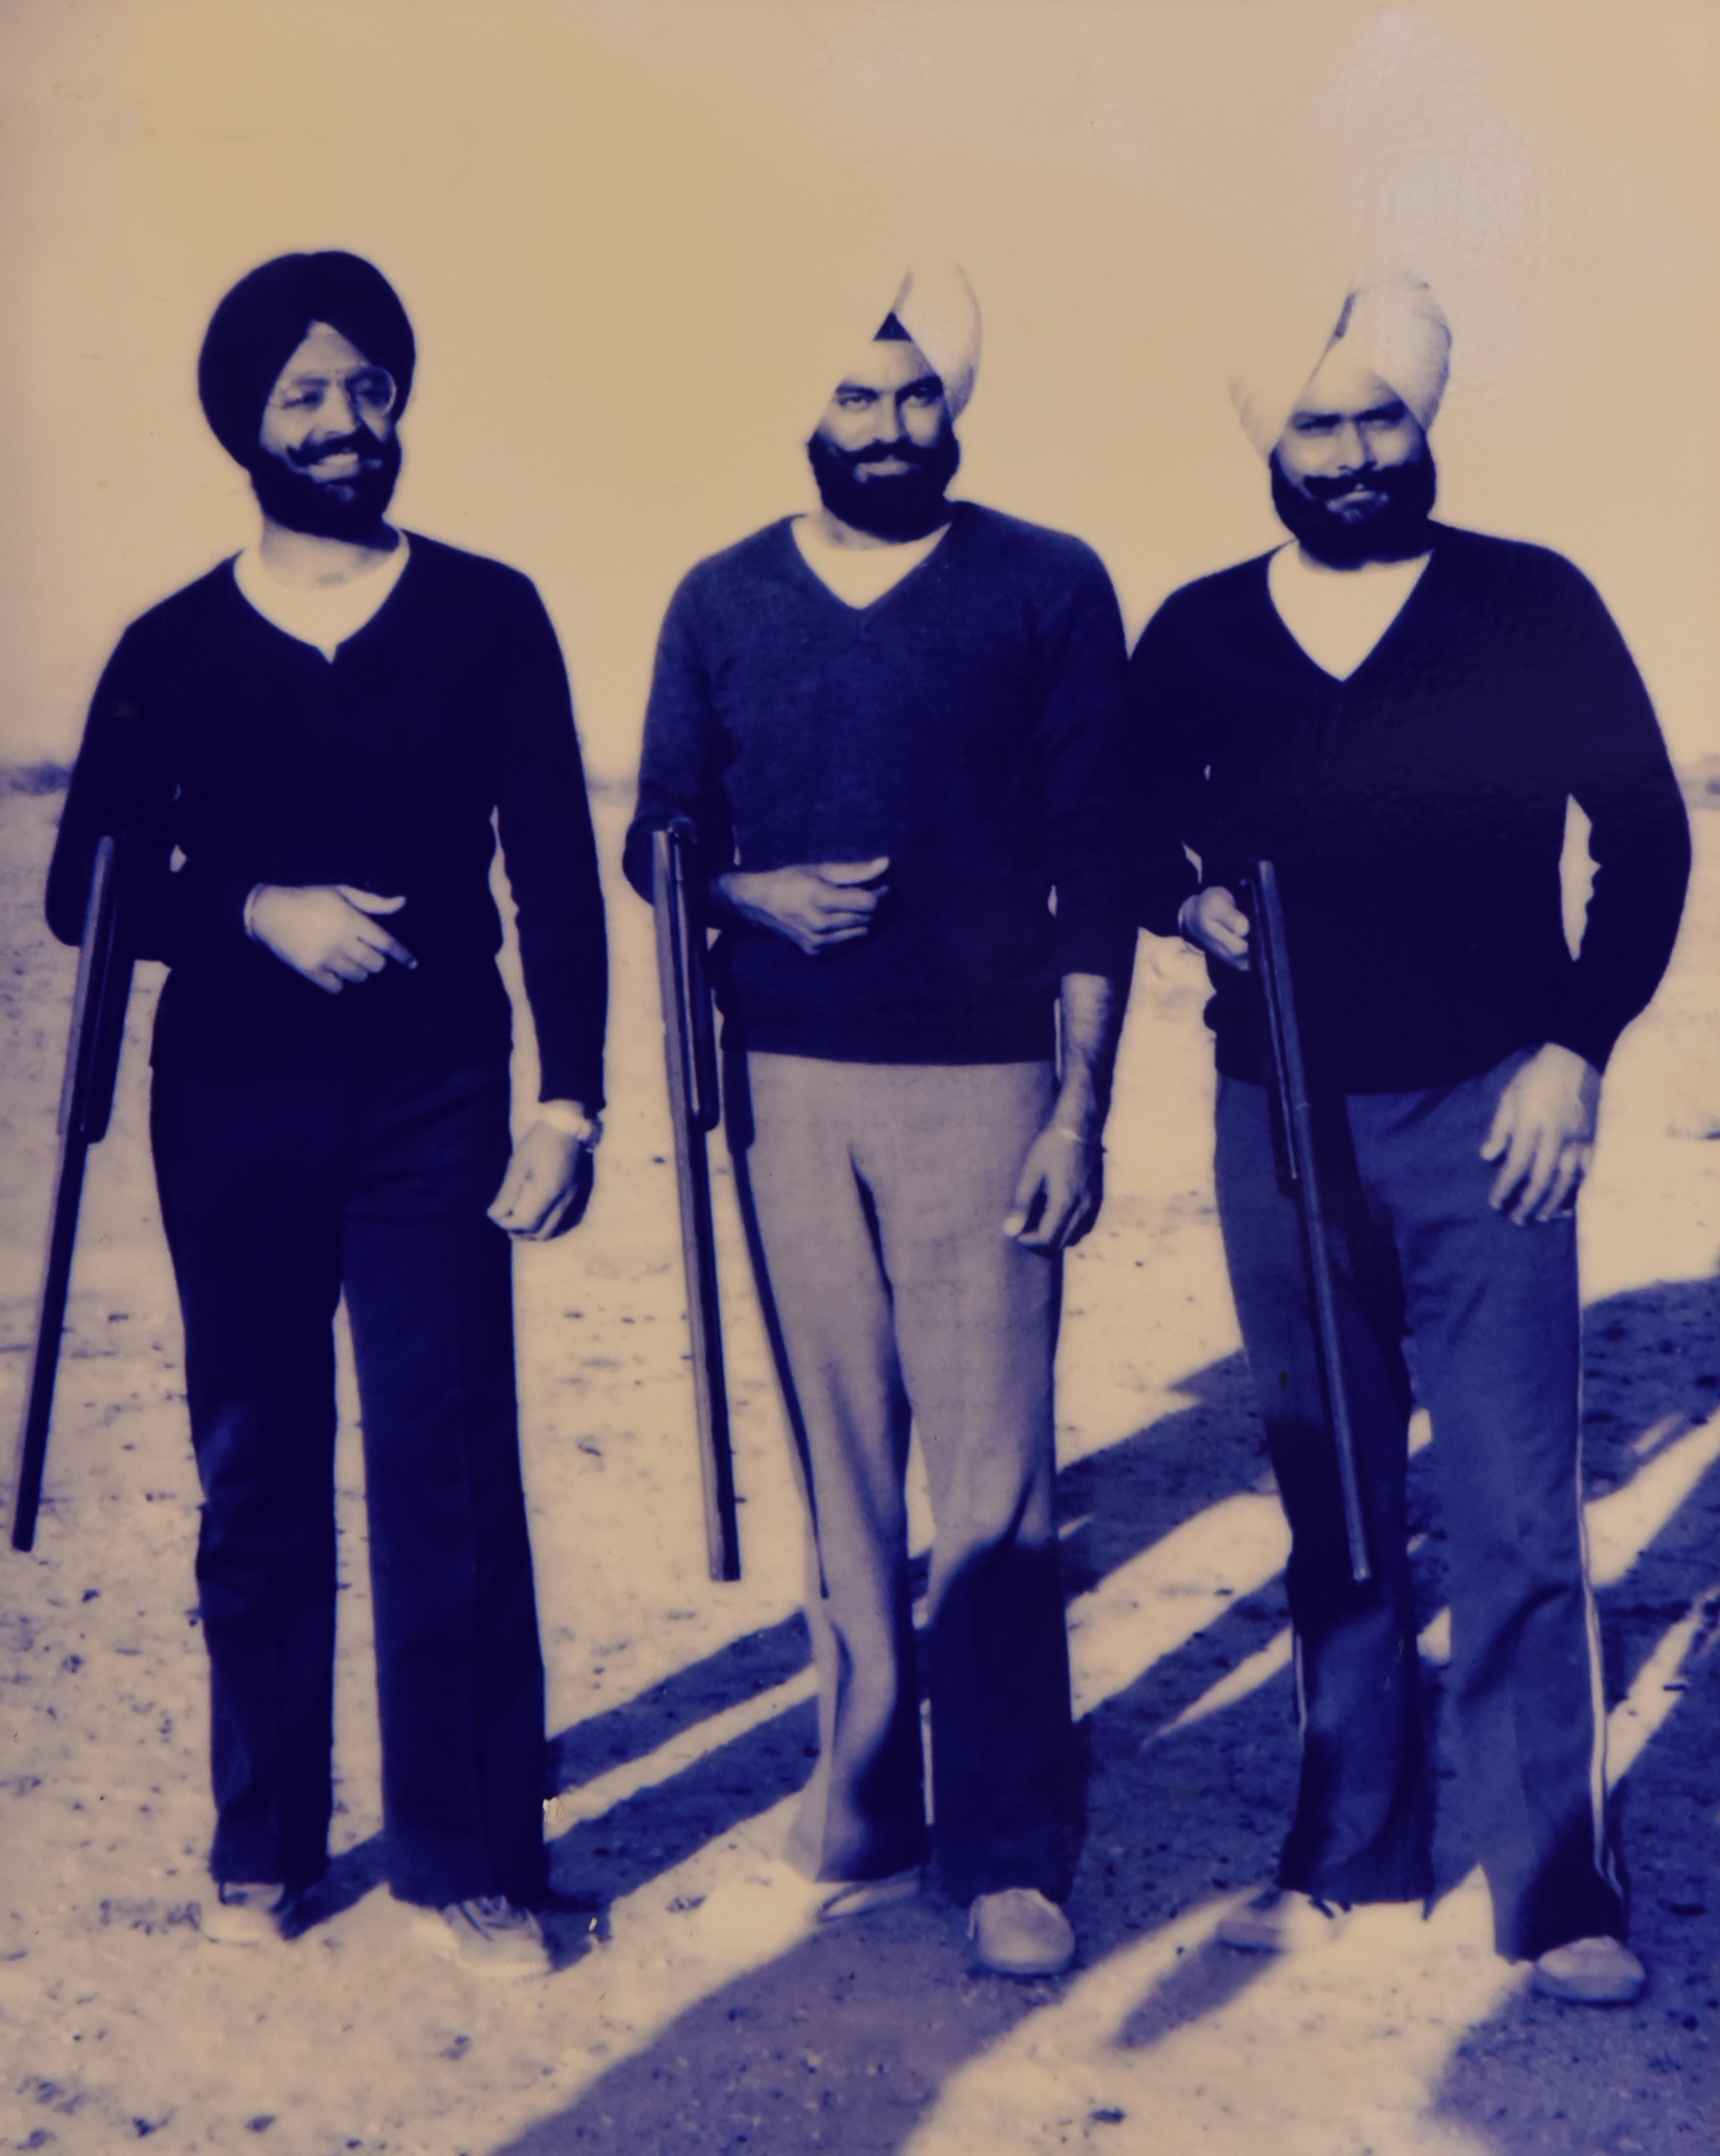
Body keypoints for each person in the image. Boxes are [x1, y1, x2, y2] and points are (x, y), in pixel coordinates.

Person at [1124, 273, 1691, 2001]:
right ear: (1271, 444)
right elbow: (1120, 826)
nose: (1354, 453)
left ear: (1423, 420)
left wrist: (1572, 1049)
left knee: (1517, 1511)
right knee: (1338, 1503)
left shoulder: (1527, 601)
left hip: (1487, 1111)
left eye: (1380, 417)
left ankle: (1555, 1888)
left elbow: (1645, 834)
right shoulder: (1201, 632)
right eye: (1318, 425)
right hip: (1278, 1116)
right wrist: (1186, 904)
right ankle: (1346, 1855)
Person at [46, 251, 608, 1976]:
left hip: (438, 1097)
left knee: (445, 1462)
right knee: (255, 1460)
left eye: (368, 387)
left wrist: (569, 1103)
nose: (345, 422)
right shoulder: (168, 647)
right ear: (246, 425)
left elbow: (555, 871)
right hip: (230, 1106)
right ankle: (263, 1839)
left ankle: (466, 1854)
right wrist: (248, 907)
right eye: (303, 395)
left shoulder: (489, 611)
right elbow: (84, 890)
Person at [625, 267, 1140, 1977]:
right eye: (857, 397)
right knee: (839, 1469)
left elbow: (1098, 861)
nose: (890, 427)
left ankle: (1006, 1848)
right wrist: (749, 894)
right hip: (782, 1084)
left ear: (955, 407)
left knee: (994, 1487)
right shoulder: (718, 597)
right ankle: (857, 1815)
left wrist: (1077, 1109)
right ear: (810, 409)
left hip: (988, 1082)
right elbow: (660, 833)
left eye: (918, 397)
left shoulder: (1047, 583)